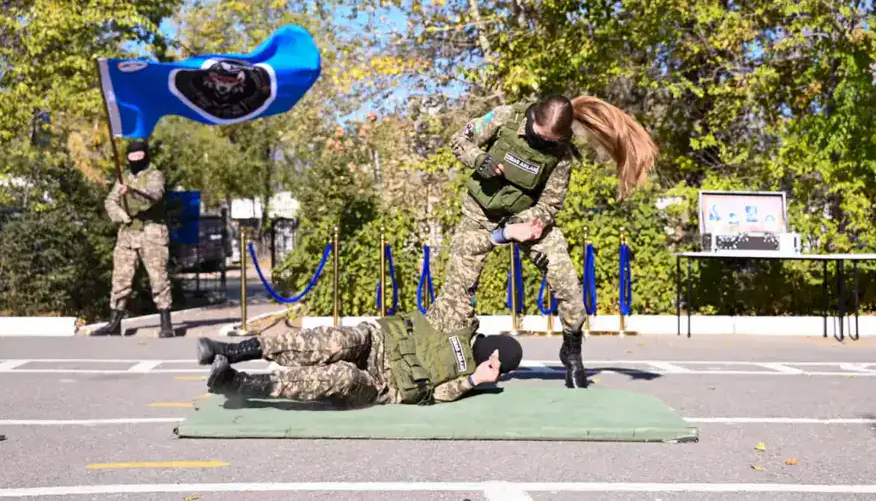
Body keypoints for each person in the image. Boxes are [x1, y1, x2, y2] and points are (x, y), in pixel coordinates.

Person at [440, 94, 657, 388]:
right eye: (538, 137)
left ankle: (572, 351)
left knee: (568, 286)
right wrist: (481, 160)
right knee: (456, 293)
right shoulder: (504, 117)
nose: (541, 144)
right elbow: (459, 141)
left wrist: (531, 223)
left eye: (550, 141)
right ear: (531, 119)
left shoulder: (560, 155)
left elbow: (551, 204)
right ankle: (455, 355)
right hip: (480, 213)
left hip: (525, 217)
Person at [195, 247, 535, 404]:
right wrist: (501, 235)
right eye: (497, 357)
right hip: (377, 341)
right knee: (340, 341)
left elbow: (438, 395)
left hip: (382, 385)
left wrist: (475, 379)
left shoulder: (470, 379)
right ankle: (232, 351)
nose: (495, 363)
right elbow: (463, 274)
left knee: (341, 376)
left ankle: (238, 384)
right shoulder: (458, 319)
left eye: (501, 366)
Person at [92, 139, 175, 338]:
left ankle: (166, 323)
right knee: (120, 279)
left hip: (152, 233)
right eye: (132, 156)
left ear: (145, 155)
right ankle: (114, 322)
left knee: (158, 279)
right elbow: (110, 201)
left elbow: (154, 196)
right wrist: (122, 216)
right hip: (128, 233)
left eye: (139, 155)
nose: (136, 159)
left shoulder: (154, 175)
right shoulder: (124, 177)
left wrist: (132, 192)